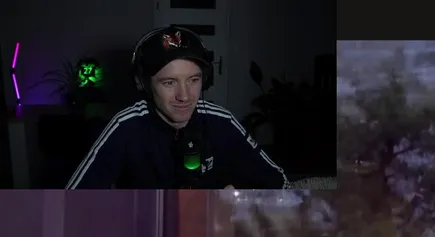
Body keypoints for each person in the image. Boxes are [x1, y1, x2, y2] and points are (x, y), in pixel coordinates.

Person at [64, 26, 289, 189]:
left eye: (193, 80)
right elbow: (71, 203)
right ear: (143, 84)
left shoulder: (223, 123)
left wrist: (242, 206)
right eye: (169, 82)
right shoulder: (125, 127)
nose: (185, 96)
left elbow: (281, 184)